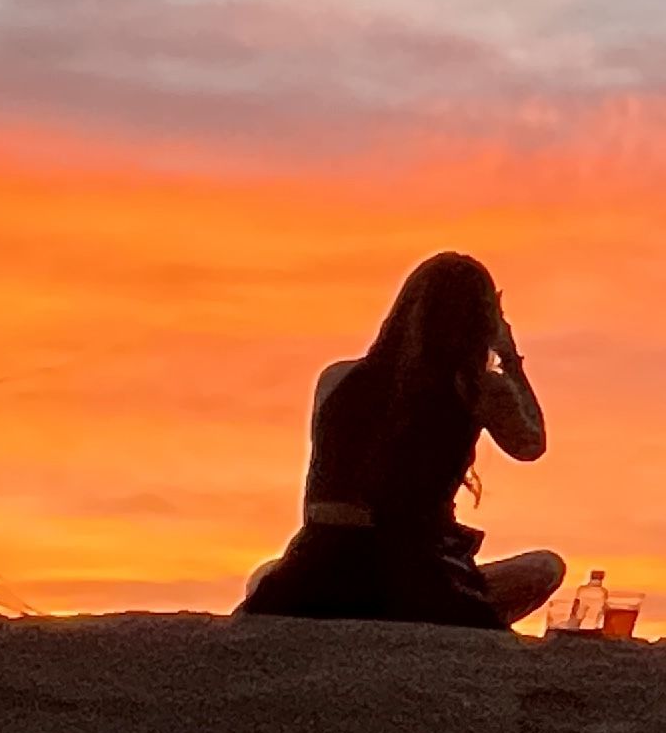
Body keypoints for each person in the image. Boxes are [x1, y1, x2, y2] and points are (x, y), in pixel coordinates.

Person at [239, 252, 562, 629]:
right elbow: (530, 445)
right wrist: (510, 358)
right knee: (545, 568)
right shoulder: (477, 390)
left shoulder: (337, 379)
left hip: (319, 562)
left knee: (263, 575)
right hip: (415, 573)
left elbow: (321, 491)